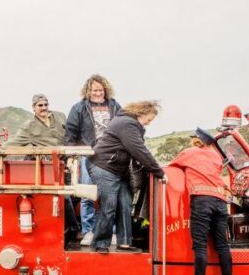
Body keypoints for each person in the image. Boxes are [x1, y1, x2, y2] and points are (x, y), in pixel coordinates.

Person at [87, 100, 165, 254]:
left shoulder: (130, 124)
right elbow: (139, 150)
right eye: (149, 119)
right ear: (141, 113)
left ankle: (124, 242)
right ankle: (100, 243)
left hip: (117, 169)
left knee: (125, 203)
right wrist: (159, 172)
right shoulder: (127, 124)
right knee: (109, 204)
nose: (148, 123)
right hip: (103, 166)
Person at [168, 128, 234, 275]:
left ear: (196, 140)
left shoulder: (188, 153)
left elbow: (170, 167)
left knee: (200, 245)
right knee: (222, 245)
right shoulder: (216, 156)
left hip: (202, 200)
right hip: (220, 202)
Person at [10, 94, 81, 249]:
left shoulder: (60, 117)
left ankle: (70, 229)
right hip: (48, 166)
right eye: (40, 105)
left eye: (45, 104)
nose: (44, 108)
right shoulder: (29, 126)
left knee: (77, 195)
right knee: (64, 196)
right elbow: (14, 143)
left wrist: (71, 156)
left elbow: (71, 135)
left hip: (67, 161)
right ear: (33, 108)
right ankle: (74, 230)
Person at [65, 74, 121, 246]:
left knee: (109, 196)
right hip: (88, 155)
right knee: (87, 194)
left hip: (110, 156)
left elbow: (123, 127)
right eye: (94, 90)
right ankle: (88, 231)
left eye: (101, 89)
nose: (98, 93)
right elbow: (71, 133)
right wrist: (69, 157)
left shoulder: (114, 105)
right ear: (88, 91)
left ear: (105, 90)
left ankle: (108, 232)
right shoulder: (79, 108)